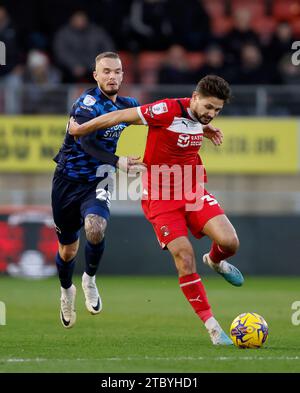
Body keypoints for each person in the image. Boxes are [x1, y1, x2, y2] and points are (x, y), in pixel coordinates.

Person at [68, 75, 244, 345]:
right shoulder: (166, 110)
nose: (212, 114)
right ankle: (213, 327)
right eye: (208, 108)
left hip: (192, 190)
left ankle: (216, 260)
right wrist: (81, 129)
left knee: (230, 242)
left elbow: (192, 124)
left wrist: (204, 127)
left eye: (217, 110)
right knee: (184, 257)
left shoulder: (199, 116)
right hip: (160, 198)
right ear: (195, 98)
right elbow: (120, 116)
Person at [52, 51, 143, 329]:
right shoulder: (87, 105)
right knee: (68, 250)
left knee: (95, 227)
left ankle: (89, 279)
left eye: (116, 71)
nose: (112, 76)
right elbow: (86, 144)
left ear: (123, 75)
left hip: (98, 180)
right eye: (106, 71)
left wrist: (198, 123)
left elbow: (159, 118)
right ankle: (67, 290)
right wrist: (119, 161)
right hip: (67, 182)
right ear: (95, 75)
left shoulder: (128, 106)